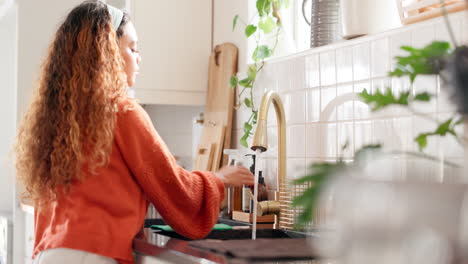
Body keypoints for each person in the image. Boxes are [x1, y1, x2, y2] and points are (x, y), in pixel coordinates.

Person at [14, 1, 254, 264]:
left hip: (50, 254)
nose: (139, 57)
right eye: (132, 48)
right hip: (93, 255)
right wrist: (219, 179)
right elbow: (174, 188)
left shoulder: (59, 118)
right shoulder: (122, 112)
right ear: (106, 53)